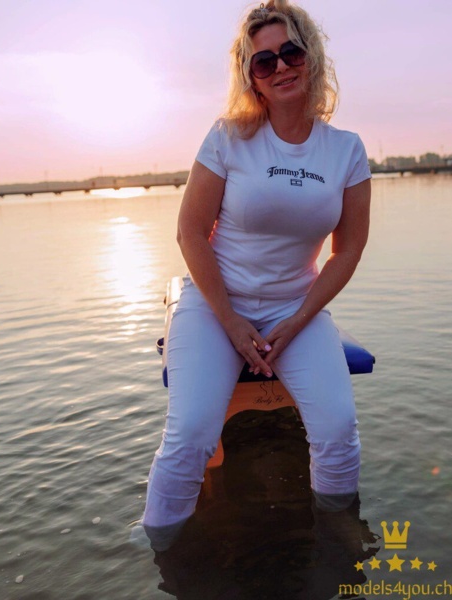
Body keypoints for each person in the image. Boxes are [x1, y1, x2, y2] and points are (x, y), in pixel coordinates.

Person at [131, 0, 371, 552]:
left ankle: (337, 542)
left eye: (291, 52)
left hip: (296, 308)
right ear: (252, 76)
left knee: (338, 430)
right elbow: (190, 232)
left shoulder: (346, 151)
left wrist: (300, 319)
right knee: (192, 433)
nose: (281, 66)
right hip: (215, 304)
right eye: (264, 61)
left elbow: (349, 249)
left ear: (311, 56)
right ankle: (162, 553)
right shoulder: (227, 137)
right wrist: (232, 322)